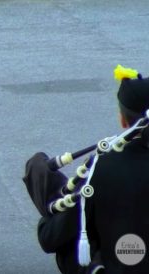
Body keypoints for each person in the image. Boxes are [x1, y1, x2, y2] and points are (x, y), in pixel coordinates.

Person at [23, 65, 149, 273]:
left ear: (123, 120)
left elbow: (50, 238)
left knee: (41, 170)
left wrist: (49, 221)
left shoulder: (104, 167)